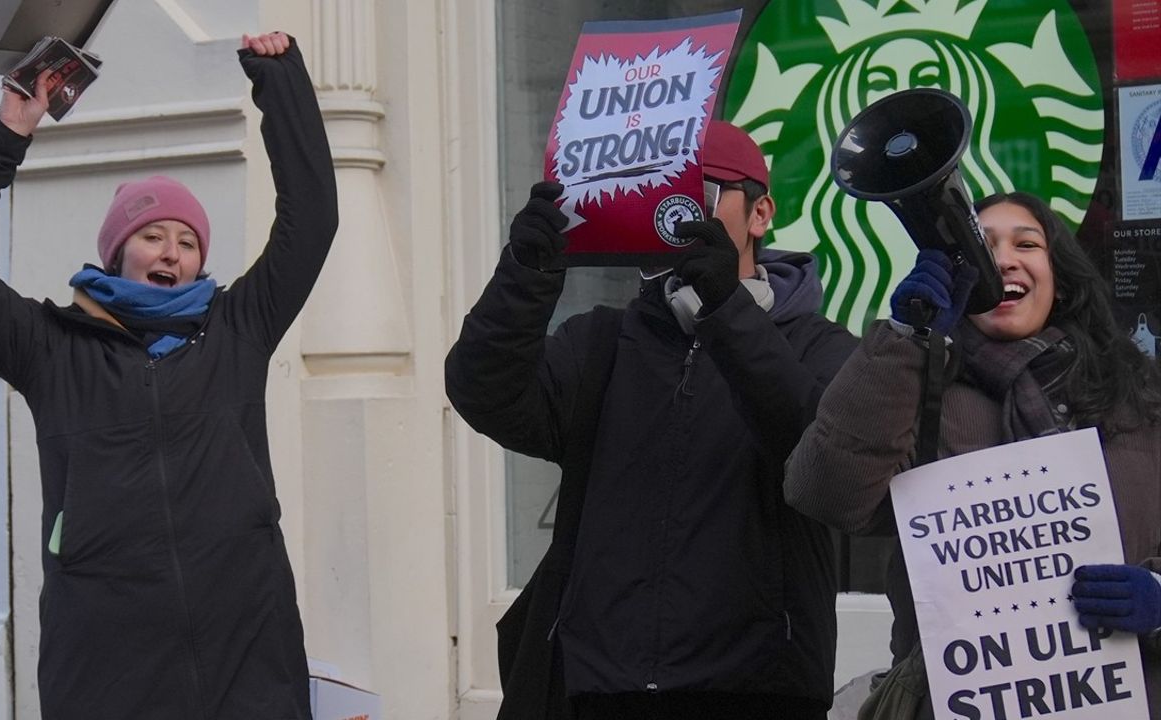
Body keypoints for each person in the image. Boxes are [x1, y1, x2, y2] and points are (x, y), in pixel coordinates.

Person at [0, 32, 337, 720]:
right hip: (107, 666)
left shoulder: (238, 327)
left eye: (189, 241)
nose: (172, 251)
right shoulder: (50, 348)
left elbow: (311, 221)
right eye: (152, 235)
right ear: (117, 253)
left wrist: (278, 80)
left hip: (246, 650)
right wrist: (9, 129)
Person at [445, 120, 858, 719]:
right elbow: (485, 392)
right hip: (602, 688)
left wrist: (725, 309)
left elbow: (824, 458)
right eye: (660, 191)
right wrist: (526, 274)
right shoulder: (603, 343)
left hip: (757, 690)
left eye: (704, 194)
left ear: (761, 213)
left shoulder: (819, 346)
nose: (680, 210)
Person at [783, 192, 1161, 717]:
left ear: (1060, 275)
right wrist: (905, 338)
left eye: (1026, 243)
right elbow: (824, 493)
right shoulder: (916, 390)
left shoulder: (1139, 397)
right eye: (980, 247)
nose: (1002, 259)